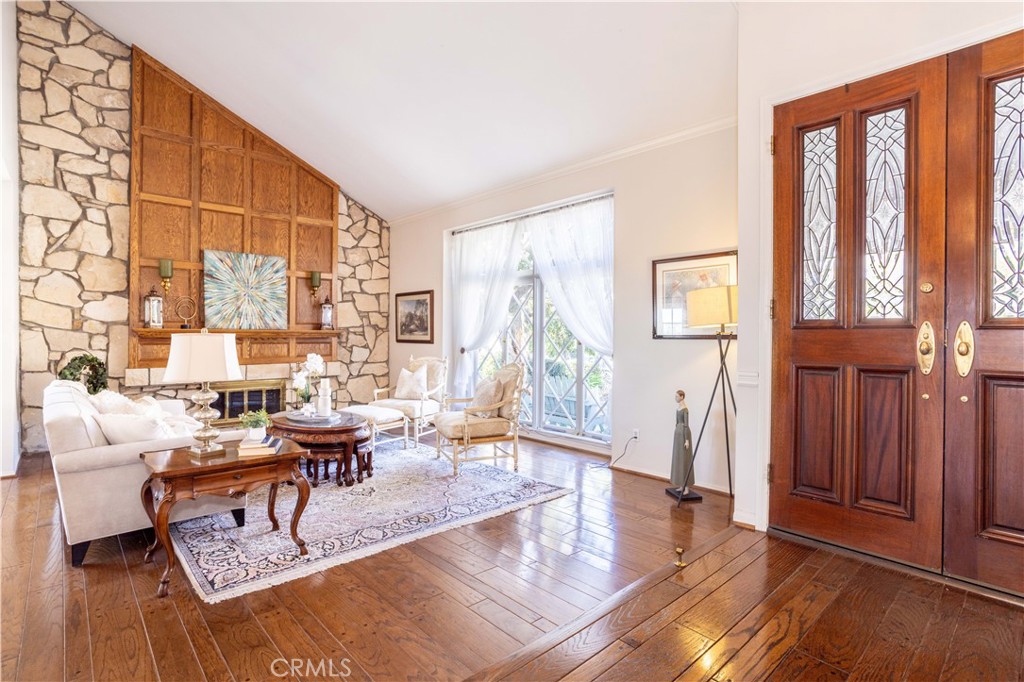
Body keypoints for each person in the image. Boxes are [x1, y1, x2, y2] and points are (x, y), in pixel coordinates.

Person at [669, 389, 695, 496]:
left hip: (684, 434)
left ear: (682, 397)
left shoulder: (685, 409)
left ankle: (687, 487)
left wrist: (687, 440)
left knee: (685, 459)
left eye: (677, 396)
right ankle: (681, 484)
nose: (675, 398)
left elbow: (686, 425)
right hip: (678, 435)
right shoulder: (678, 408)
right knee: (678, 458)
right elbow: (677, 423)